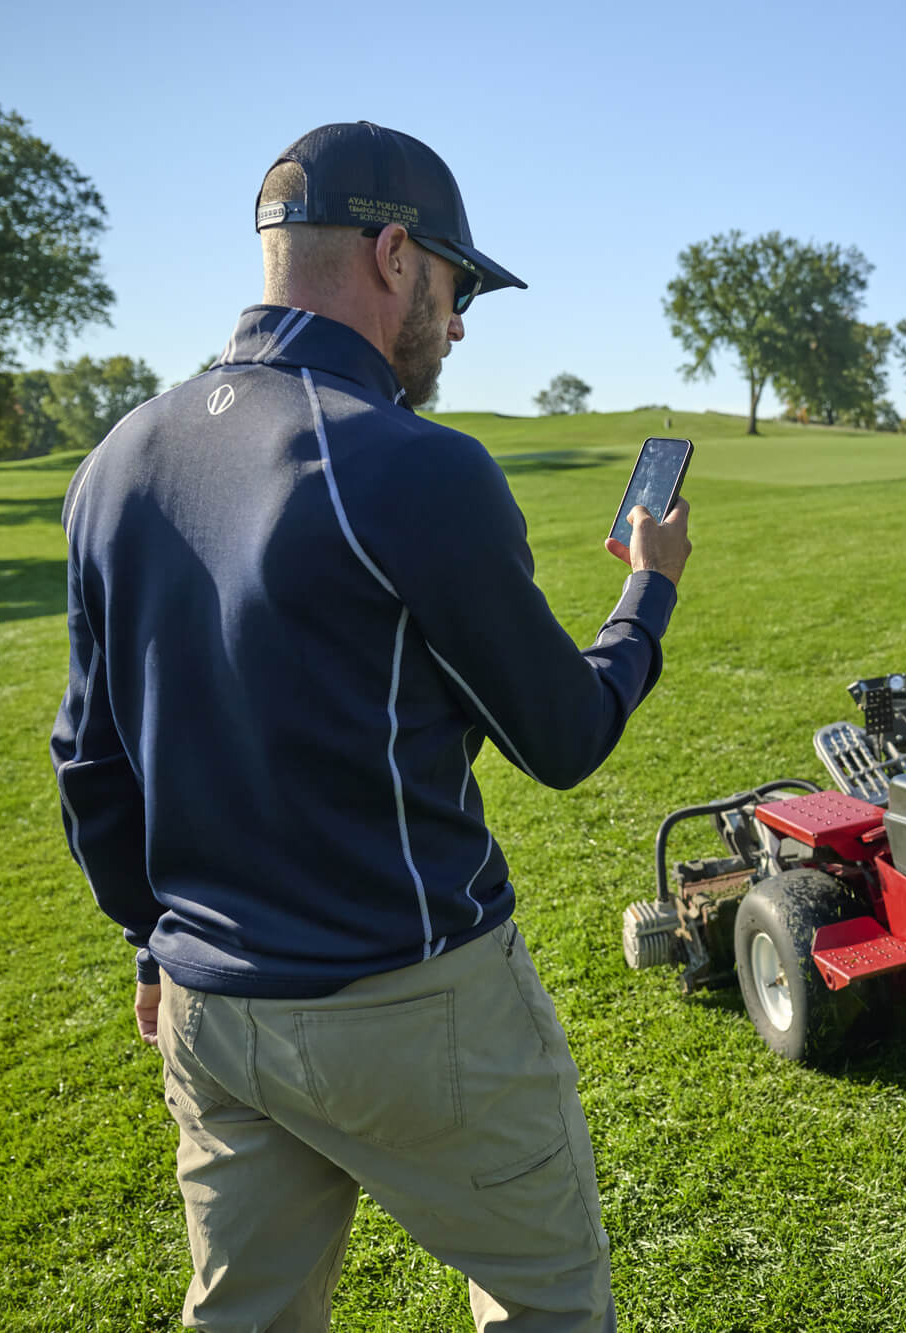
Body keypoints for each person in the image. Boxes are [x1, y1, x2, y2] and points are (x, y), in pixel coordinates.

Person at [50, 121, 689, 1332]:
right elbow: (564, 734)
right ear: (393, 255)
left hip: (207, 1011)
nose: (454, 324)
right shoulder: (409, 463)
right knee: (546, 1304)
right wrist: (646, 592)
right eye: (454, 289)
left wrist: (152, 941)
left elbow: (90, 760)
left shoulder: (116, 461)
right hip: (411, 1005)